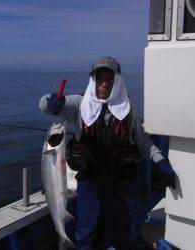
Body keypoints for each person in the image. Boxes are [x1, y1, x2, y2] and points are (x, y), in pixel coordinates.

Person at [39, 56, 176, 250]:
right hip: (90, 183)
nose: (104, 84)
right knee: (88, 231)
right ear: (93, 80)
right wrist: (53, 100)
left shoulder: (127, 107)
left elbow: (142, 141)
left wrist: (160, 160)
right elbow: (45, 106)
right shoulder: (80, 103)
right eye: (99, 78)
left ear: (117, 81)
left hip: (122, 183)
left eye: (109, 79)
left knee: (125, 231)